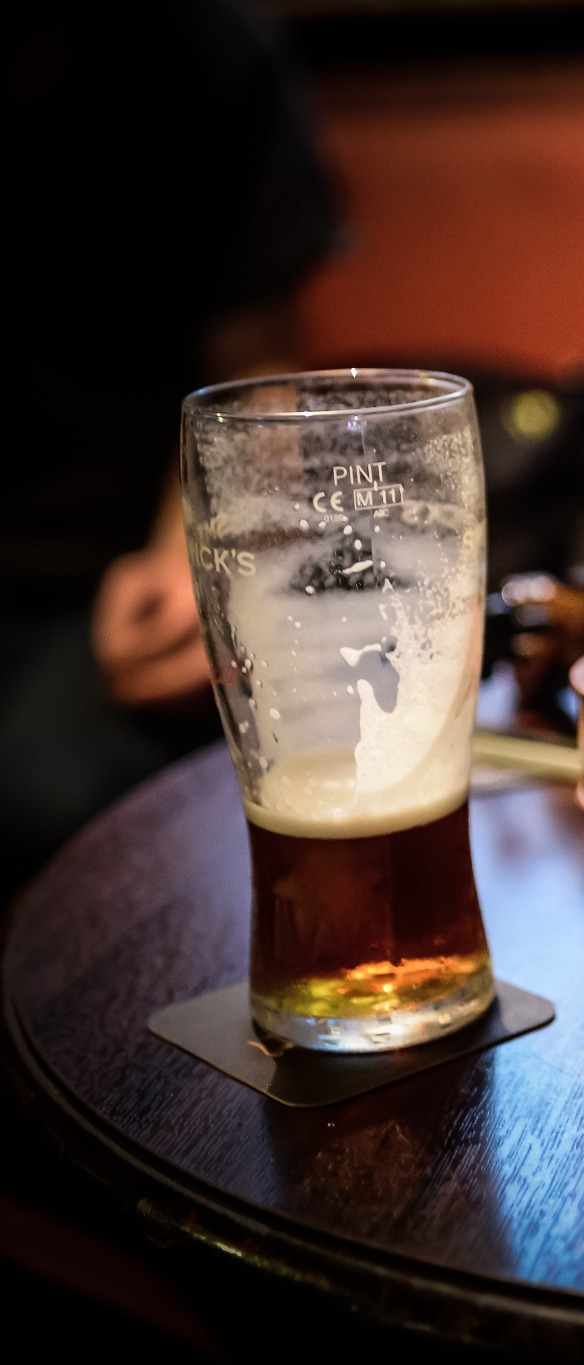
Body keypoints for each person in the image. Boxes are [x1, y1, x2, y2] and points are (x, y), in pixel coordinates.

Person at [0, 0, 340, 896]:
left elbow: (260, 375)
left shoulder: (206, 47)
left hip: (113, 571)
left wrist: (190, 556)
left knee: (45, 795)